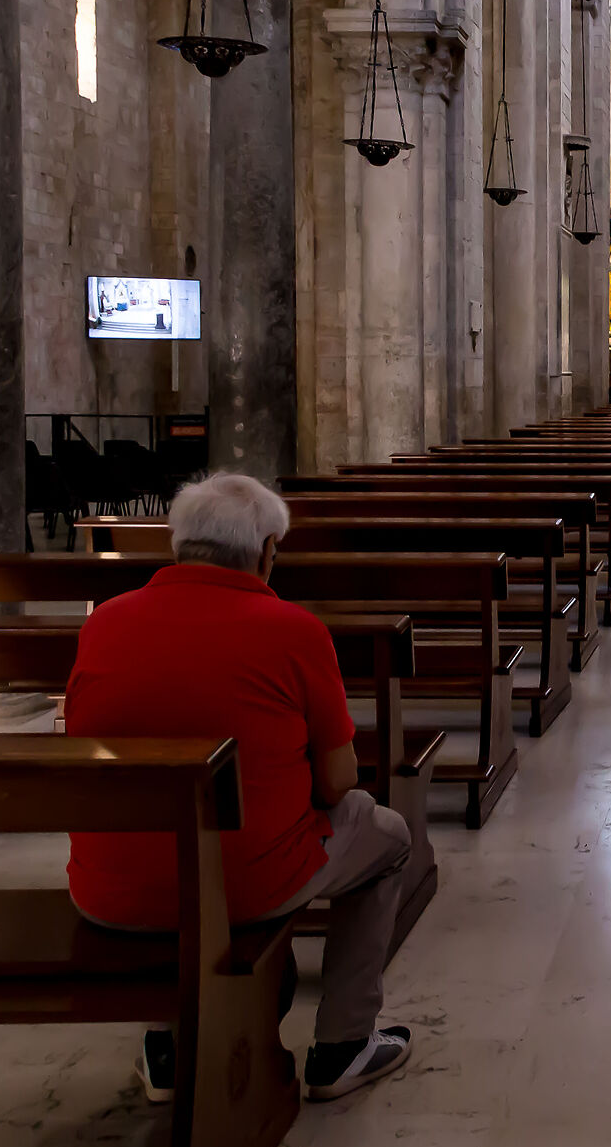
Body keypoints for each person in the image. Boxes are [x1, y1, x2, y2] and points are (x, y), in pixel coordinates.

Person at [65, 473, 419, 1103]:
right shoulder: (292, 629)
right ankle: (343, 1045)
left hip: (107, 887)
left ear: (177, 545)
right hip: (248, 883)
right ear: (265, 552)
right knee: (384, 834)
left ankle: (168, 1044)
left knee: (161, 835)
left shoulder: (105, 623)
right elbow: (339, 780)